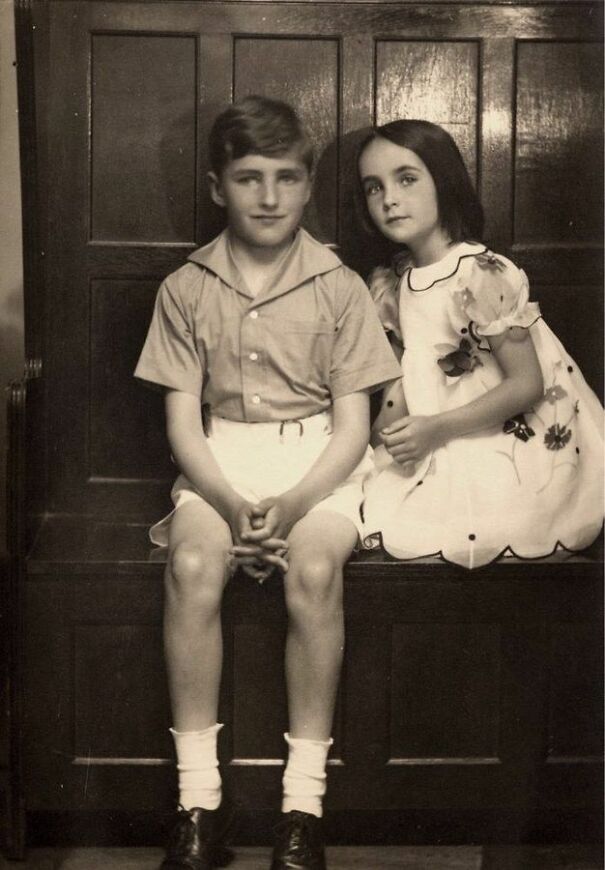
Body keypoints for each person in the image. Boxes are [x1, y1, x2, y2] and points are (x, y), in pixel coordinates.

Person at [135, 95, 401, 870]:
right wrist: (228, 502)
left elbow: (353, 428)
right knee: (189, 566)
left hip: (317, 463)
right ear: (219, 187)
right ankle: (197, 804)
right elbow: (183, 425)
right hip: (219, 464)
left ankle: (301, 809)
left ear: (309, 184)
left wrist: (289, 506)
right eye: (248, 179)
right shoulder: (185, 288)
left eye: (286, 178)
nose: (269, 197)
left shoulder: (340, 286)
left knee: (314, 571)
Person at [357, 119, 604, 569]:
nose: (389, 199)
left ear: (444, 181)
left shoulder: (481, 272)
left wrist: (435, 430)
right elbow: (403, 378)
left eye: (406, 179)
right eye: (374, 188)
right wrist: (372, 445)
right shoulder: (394, 279)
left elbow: (526, 384)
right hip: (434, 427)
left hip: (501, 429)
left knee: (482, 519)